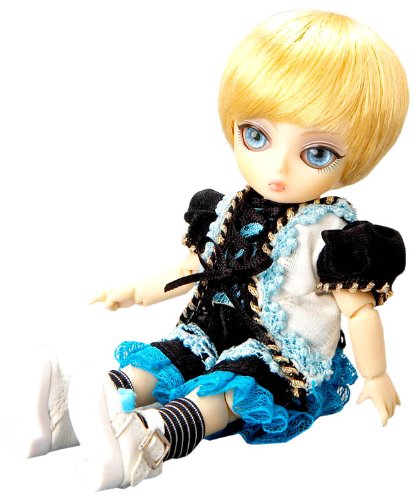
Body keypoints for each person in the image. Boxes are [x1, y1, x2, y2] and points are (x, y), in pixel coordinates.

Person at [23, 9, 408, 491]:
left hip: (282, 353)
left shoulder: (335, 234)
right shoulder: (226, 209)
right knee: (171, 356)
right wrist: (138, 290)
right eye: (257, 136)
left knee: (227, 388)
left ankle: (150, 439)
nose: (278, 168)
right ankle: (78, 414)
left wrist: (376, 374)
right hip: (213, 326)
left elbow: (359, 311)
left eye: (316, 153)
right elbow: (194, 266)